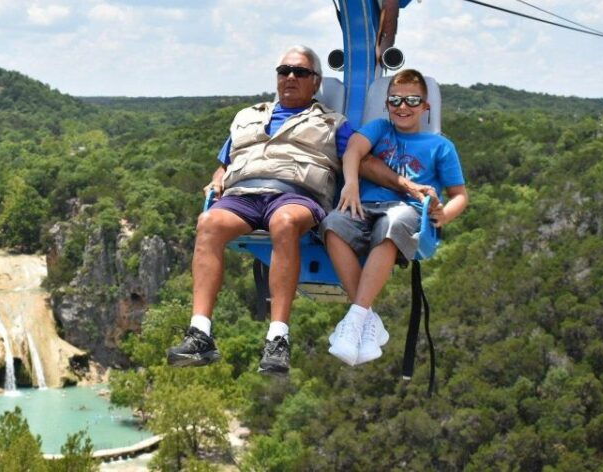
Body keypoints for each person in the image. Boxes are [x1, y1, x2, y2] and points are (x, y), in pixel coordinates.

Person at [166, 45, 428, 375]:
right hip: (244, 192)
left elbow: (363, 162)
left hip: (296, 194)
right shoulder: (247, 117)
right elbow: (226, 163)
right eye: (284, 71)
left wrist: (407, 186)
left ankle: (277, 339)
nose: (290, 77)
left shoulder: (333, 123)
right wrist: (216, 180)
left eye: (301, 72)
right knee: (208, 222)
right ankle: (200, 333)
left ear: (316, 82)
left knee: (285, 222)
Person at [323, 68, 469, 366]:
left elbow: (460, 196)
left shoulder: (441, 146)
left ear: (425, 107)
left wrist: (442, 217)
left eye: (412, 101)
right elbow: (353, 150)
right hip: (365, 206)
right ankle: (368, 319)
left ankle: (355, 319)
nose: (403, 107)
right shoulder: (379, 129)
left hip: (405, 211)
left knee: (393, 223)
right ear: (387, 105)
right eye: (395, 101)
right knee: (332, 224)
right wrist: (351, 184)